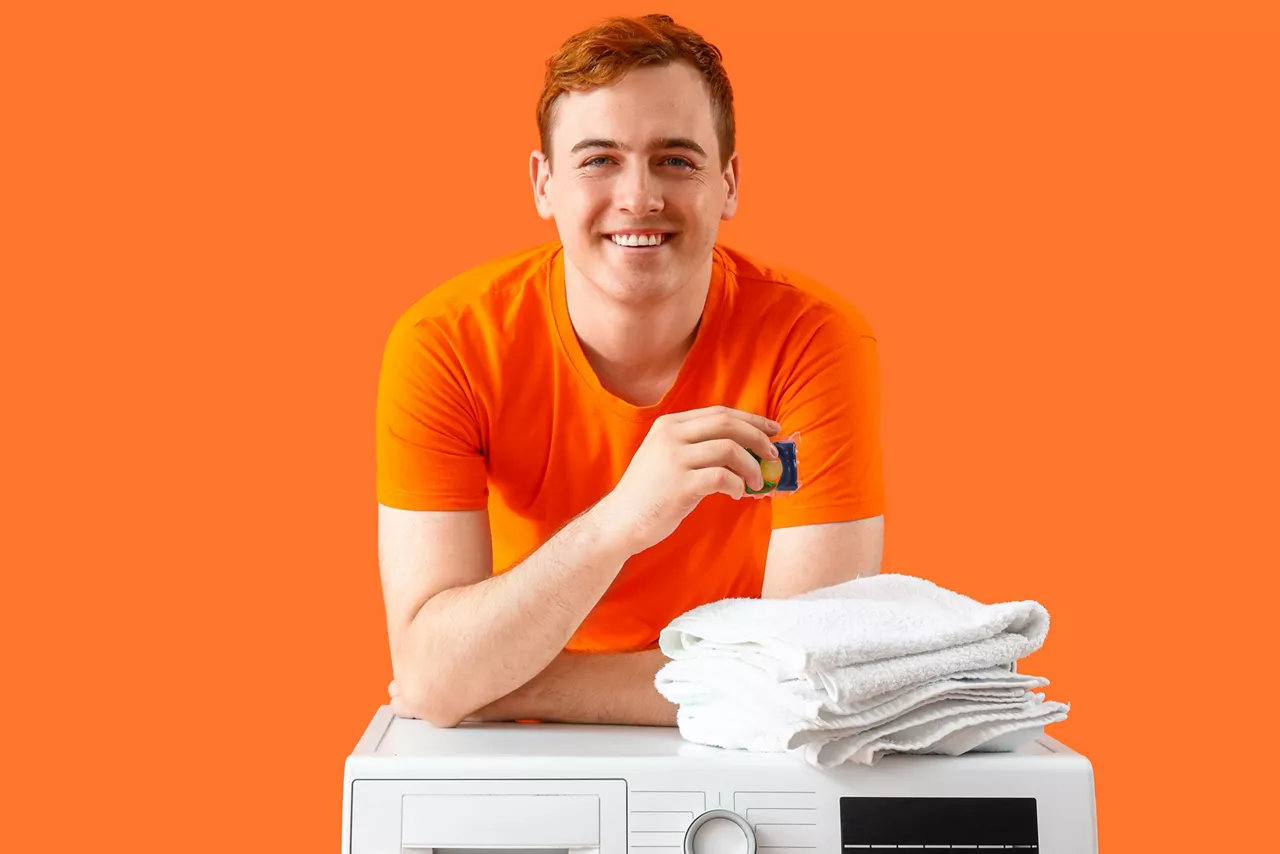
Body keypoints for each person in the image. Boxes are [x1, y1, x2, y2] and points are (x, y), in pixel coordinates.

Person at [375, 13, 885, 728]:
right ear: (543, 183)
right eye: (598, 160)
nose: (639, 197)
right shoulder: (446, 344)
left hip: (749, 758)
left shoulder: (812, 342)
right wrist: (624, 518)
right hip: (525, 766)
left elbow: (813, 680)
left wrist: (508, 687)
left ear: (729, 184)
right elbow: (431, 674)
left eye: (675, 159)